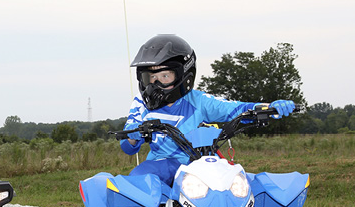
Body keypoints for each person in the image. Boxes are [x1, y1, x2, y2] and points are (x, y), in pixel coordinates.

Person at [122, 34, 296, 186]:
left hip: (204, 164)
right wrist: (133, 135)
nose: (156, 84)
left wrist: (268, 107)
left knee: (244, 185)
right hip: (162, 164)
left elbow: (234, 109)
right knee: (139, 179)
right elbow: (128, 147)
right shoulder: (141, 104)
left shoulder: (198, 101)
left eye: (164, 76)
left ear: (183, 75)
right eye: (151, 78)